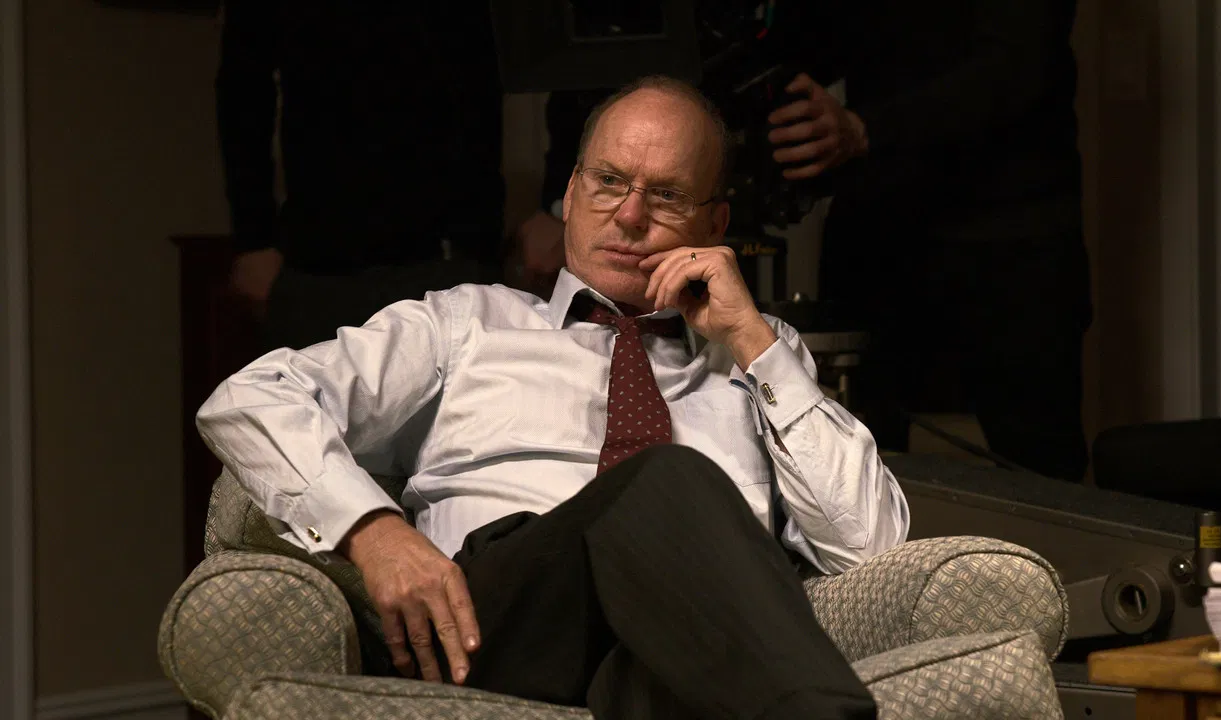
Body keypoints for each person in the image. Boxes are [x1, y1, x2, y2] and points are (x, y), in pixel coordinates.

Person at [197, 76, 908, 719]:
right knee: (665, 479)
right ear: (569, 194)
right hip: (494, 622)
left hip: (672, 649)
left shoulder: (760, 354)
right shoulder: (463, 323)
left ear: (716, 226)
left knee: (662, 679)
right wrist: (374, 532)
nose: (630, 216)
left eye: (666, 196)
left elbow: (870, 550)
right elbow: (251, 398)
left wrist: (753, 340)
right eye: (608, 182)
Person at [764, 0, 1091, 481]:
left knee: (1040, 465)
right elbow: (811, 45)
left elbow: (1017, 67)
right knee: (860, 459)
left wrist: (864, 130)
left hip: (1011, 236)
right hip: (877, 229)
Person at [216, 0, 508, 351]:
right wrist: (254, 237)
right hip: (321, 259)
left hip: (452, 252)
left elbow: (482, 71)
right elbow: (244, 87)